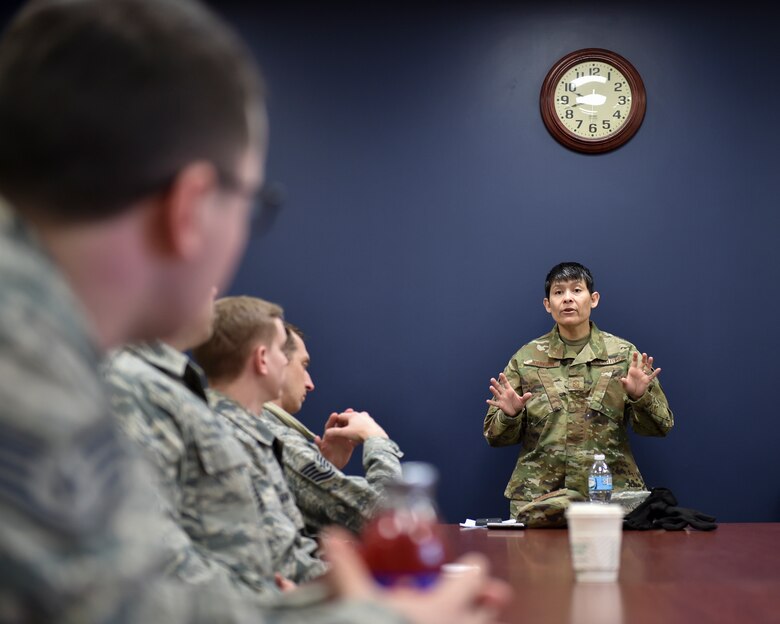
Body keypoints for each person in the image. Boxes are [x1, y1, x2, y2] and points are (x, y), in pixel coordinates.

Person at [0, 0, 510, 622]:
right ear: (189, 209)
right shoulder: (26, 362)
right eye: (253, 202)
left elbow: (133, 594)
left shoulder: (47, 337)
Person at [103, 288, 326, 590]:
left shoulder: (177, 388)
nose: (213, 290)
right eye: (280, 352)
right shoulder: (128, 383)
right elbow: (153, 549)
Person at [193, 300, 403, 535]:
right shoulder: (271, 439)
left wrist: (324, 467)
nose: (310, 383)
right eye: (302, 365)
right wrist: (377, 440)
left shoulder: (208, 419)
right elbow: (389, 522)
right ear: (262, 359)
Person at [484, 261, 673, 522]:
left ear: (593, 299)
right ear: (548, 305)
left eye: (576, 290)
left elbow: (661, 427)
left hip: (610, 498)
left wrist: (641, 398)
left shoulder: (623, 354)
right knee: (532, 565)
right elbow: (494, 437)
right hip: (539, 501)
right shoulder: (526, 359)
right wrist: (510, 416)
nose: (568, 299)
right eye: (559, 292)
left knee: (610, 563)